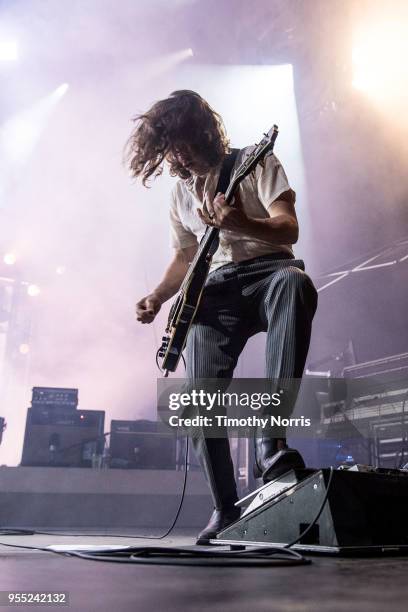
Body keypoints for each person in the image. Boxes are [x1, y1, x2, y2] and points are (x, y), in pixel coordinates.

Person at [127, 90, 318, 545]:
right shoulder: (178, 193)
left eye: (185, 141)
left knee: (296, 284)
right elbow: (184, 258)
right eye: (169, 147)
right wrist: (156, 296)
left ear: (204, 131)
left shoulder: (255, 161)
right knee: (199, 399)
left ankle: (270, 444)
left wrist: (239, 223)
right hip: (212, 293)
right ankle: (224, 508)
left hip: (269, 272)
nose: (179, 154)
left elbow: (288, 227)